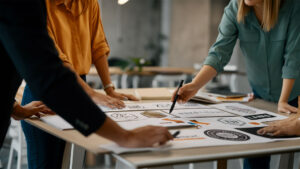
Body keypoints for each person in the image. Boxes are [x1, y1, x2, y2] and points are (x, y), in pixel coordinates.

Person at [0, 0, 172, 165]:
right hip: (59, 88)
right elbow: (49, 71)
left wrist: (14, 107)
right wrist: (125, 137)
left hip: (69, 86)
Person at [172, 0, 300, 168]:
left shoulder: (293, 7)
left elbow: (293, 58)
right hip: (260, 93)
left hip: (294, 96)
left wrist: (283, 100)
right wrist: (194, 85)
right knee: (255, 153)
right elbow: (219, 53)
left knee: (291, 156)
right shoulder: (234, 8)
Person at [21, 1, 141, 168]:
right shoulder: (39, 4)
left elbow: (98, 46)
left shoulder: (89, 3)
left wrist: (109, 89)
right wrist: (90, 94)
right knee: (46, 163)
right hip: (46, 88)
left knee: (73, 161)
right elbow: (55, 57)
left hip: (79, 89)